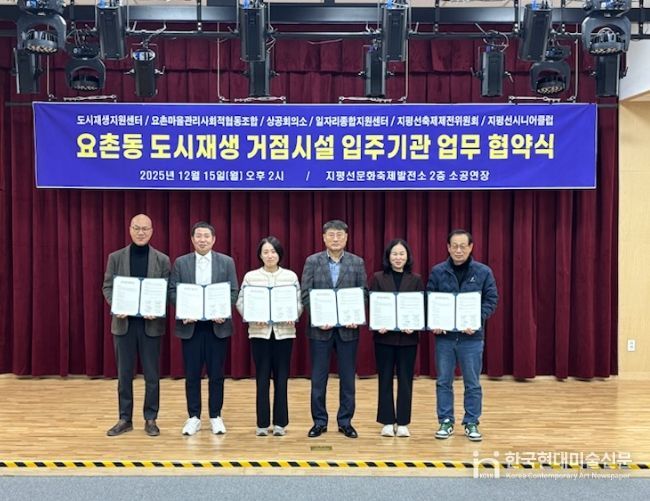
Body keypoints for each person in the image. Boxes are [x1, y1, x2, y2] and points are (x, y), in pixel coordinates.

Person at [102, 214, 170, 437]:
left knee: (152, 375)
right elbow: (107, 287)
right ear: (130, 229)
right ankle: (125, 419)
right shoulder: (115, 257)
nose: (141, 232)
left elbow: (167, 290)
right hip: (124, 324)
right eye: (137, 228)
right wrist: (116, 305)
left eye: (145, 229)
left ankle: (151, 418)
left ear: (152, 231)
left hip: (151, 325)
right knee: (124, 375)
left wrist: (157, 308)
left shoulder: (162, 260)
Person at [426, 229, 498, 442]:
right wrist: (435, 322)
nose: (458, 250)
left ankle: (472, 422)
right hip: (445, 338)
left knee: (472, 383)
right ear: (448, 248)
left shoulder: (483, 272)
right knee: (443, 382)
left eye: (463, 246)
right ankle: (446, 421)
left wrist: (476, 319)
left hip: (471, 338)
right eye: (454, 246)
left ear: (471, 247)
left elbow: (491, 300)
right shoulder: (438, 271)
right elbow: (429, 298)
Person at [169, 221, 238, 436]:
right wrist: (184, 310)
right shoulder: (181, 263)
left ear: (214, 239)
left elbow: (234, 292)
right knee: (192, 374)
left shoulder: (226, 262)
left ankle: (215, 416)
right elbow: (172, 291)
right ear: (192, 239)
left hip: (217, 326)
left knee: (217, 374)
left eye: (206, 236)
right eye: (198, 236)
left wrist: (223, 310)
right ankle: (194, 417)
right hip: (191, 326)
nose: (202, 240)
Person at [301, 219, 367, 439]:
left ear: (346, 237)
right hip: (320, 330)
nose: (335, 238)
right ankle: (319, 422)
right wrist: (318, 317)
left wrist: (355, 316)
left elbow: (363, 293)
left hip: (348, 330)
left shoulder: (357, 262)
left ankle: (345, 422)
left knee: (347, 379)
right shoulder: (312, 261)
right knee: (318, 379)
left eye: (339, 234)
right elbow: (305, 293)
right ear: (323, 237)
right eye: (331, 234)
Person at [236, 236, 302, 437]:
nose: (270, 255)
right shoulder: (251, 277)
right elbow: (241, 302)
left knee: (282, 379)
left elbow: (299, 302)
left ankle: (280, 423)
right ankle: (262, 424)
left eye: (273, 252)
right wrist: (252, 316)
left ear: (279, 254)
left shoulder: (290, 276)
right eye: (265, 252)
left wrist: (293, 314)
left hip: (284, 334)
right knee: (262, 378)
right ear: (260, 255)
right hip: (260, 334)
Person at [369, 239, 424, 438]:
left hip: (408, 339)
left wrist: (415, 324)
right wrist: (377, 323)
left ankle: (402, 422)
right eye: (394, 254)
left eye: (402, 254)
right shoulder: (378, 278)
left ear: (407, 257)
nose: (398, 257)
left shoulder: (416, 279)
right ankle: (386, 421)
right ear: (388, 256)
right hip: (384, 337)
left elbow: (420, 306)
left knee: (405, 380)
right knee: (384, 379)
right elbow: (373, 304)